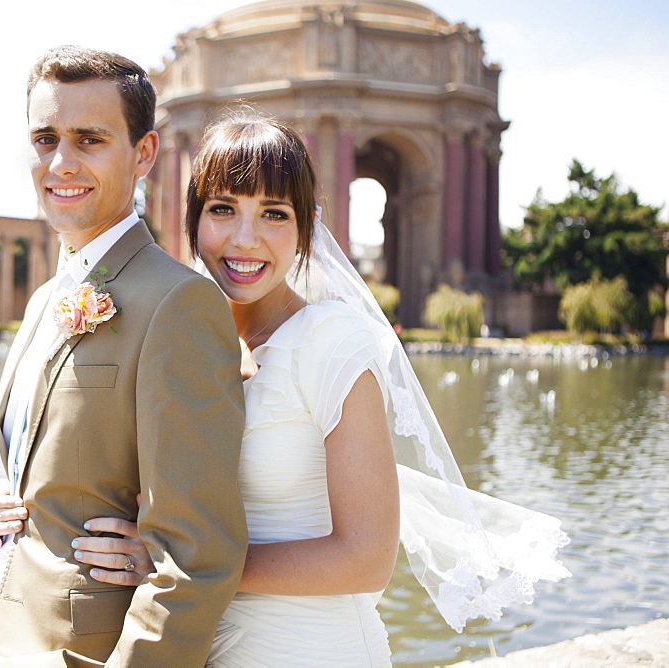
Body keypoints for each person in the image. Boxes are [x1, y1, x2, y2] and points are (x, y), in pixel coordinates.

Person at [61, 114, 572, 666]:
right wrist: (17, 503)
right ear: (193, 223)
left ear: (305, 231)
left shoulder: (333, 345)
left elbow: (366, 558)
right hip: (190, 647)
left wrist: (181, 564)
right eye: (223, 209)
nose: (244, 239)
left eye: (273, 214)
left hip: (310, 649)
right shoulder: (175, 342)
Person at [0, 46, 248, 667]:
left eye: (89, 139)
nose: (61, 162)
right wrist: (16, 493)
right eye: (45, 138)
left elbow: (196, 558)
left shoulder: (180, 304)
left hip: (80, 650)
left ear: (143, 154)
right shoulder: (41, 302)